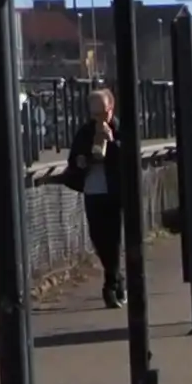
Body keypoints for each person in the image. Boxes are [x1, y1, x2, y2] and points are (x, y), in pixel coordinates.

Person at [61, 87, 126, 307]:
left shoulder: (119, 128)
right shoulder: (85, 132)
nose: (100, 119)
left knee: (114, 239)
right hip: (93, 191)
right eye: (95, 114)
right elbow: (74, 161)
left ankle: (110, 286)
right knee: (99, 239)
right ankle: (117, 277)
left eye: (103, 113)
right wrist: (82, 161)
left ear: (111, 108)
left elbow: (130, 159)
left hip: (115, 191)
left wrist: (113, 142)